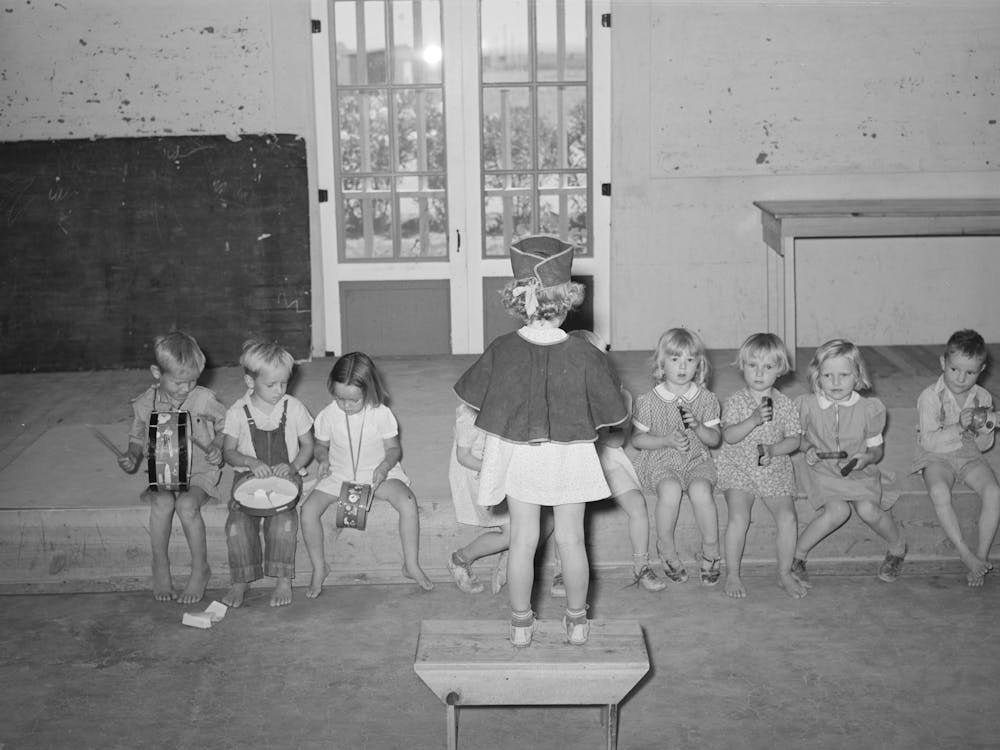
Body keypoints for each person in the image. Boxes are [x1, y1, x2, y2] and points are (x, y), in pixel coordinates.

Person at [454, 235, 628, 646]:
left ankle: (520, 625)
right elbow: (613, 413)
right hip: (570, 456)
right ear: (568, 301)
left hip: (522, 457)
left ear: (519, 300)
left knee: (522, 541)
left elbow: (477, 401)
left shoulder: (502, 349)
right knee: (572, 539)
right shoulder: (586, 354)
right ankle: (577, 621)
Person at [301, 351, 434, 596]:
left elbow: (393, 449)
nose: (346, 406)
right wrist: (322, 459)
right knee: (308, 510)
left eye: (354, 400)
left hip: (378, 473)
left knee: (407, 501)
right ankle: (319, 567)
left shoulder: (381, 414)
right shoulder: (328, 415)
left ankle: (411, 564)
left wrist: (384, 467)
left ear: (369, 390)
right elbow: (320, 445)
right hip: (339, 474)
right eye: (340, 398)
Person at [118, 331, 226, 604]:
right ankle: (160, 564)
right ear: (157, 373)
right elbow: (136, 436)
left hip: (199, 471)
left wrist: (217, 446)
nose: (186, 388)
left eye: (193, 381)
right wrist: (131, 455)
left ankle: (200, 568)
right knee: (163, 502)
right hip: (163, 470)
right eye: (179, 382)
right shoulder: (145, 402)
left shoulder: (204, 399)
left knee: (186, 505)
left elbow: (227, 427)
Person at [793, 339, 907, 584]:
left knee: (868, 509)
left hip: (857, 469)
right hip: (821, 470)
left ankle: (897, 547)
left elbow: (876, 450)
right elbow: (797, 440)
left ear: (857, 376)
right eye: (828, 375)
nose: (835, 382)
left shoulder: (869, 409)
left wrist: (867, 458)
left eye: (844, 375)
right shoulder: (807, 405)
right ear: (817, 376)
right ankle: (797, 556)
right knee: (838, 511)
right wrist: (808, 448)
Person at [221, 340, 314, 608]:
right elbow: (228, 452)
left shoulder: (293, 407)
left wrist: (293, 467)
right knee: (237, 526)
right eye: (271, 385)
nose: (279, 391)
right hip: (248, 479)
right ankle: (241, 580)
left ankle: (283, 579)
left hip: (285, 477)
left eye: (284, 383)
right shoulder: (238, 412)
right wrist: (249, 461)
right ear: (250, 381)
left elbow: (308, 445)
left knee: (283, 523)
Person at [571, 329, 666, 592]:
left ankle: (641, 565)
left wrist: (599, 428)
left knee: (637, 504)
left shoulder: (620, 394)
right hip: (575, 462)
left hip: (606, 459)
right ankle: (560, 569)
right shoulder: (564, 396)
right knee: (566, 514)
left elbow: (615, 440)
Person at [629, 328, 723, 586]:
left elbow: (714, 440)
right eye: (674, 359)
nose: (682, 367)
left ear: (699, 365)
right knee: (670, 491)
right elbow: (637, 440)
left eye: (690, 360)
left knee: (701, 491)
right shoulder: (649, 401)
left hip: (696, 459)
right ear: (661, 364)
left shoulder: (706, 399)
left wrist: (698, 427)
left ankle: (711, 549)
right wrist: (665, 440)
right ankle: (666, 547)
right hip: (661, 460)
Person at [716, 333, 807, 599]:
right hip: (738, 467)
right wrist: (753, 420)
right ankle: (732, 573)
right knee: (739, 517)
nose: (759, 373)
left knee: (788, 518)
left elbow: (795, 440)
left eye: (768, 367)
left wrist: (773, 450)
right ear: (742, 366)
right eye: (753, 365)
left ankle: (784, 573)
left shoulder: (785, 404)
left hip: (774, 467)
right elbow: (729, 436)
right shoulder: (736, 401)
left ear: (780, 370)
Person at [913, 329, 999, 586]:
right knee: (939, 491)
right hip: (936, 456)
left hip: (968, 455)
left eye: (970, 372)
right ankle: (965, 553)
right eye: (954, 369)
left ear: (982, 369)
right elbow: (928, 442)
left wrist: (986, 428)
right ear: (943, 363)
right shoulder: (930, 397)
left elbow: (983, 447)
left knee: (994, 492)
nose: (961, 378)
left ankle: (981, 557)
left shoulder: (983, 397)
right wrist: (958, 427)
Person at [445, 402, 510, 595]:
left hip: (498, 472)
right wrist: (494, 470)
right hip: (477, 477)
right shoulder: (469, 415)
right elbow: (463, 456)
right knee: (514, 533)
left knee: (534, 520)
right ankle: (460, 559)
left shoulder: (504, 403)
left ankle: (512, 552)